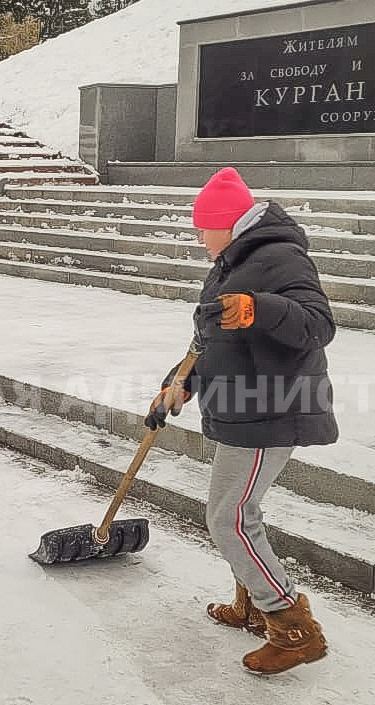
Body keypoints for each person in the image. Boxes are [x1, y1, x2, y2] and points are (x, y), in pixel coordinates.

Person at [146, 166, 338, 675]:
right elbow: (211, 339)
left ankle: (293, 627)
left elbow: (318, 324)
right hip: (242, 406)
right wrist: (180, 382)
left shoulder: (279, 258)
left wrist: (259, 308)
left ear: (230, 223)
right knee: (240, 514)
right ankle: (254, 603)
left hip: (270, 409)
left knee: (228, 518)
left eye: (203, 227)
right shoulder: (232, 261)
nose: (198, 237)